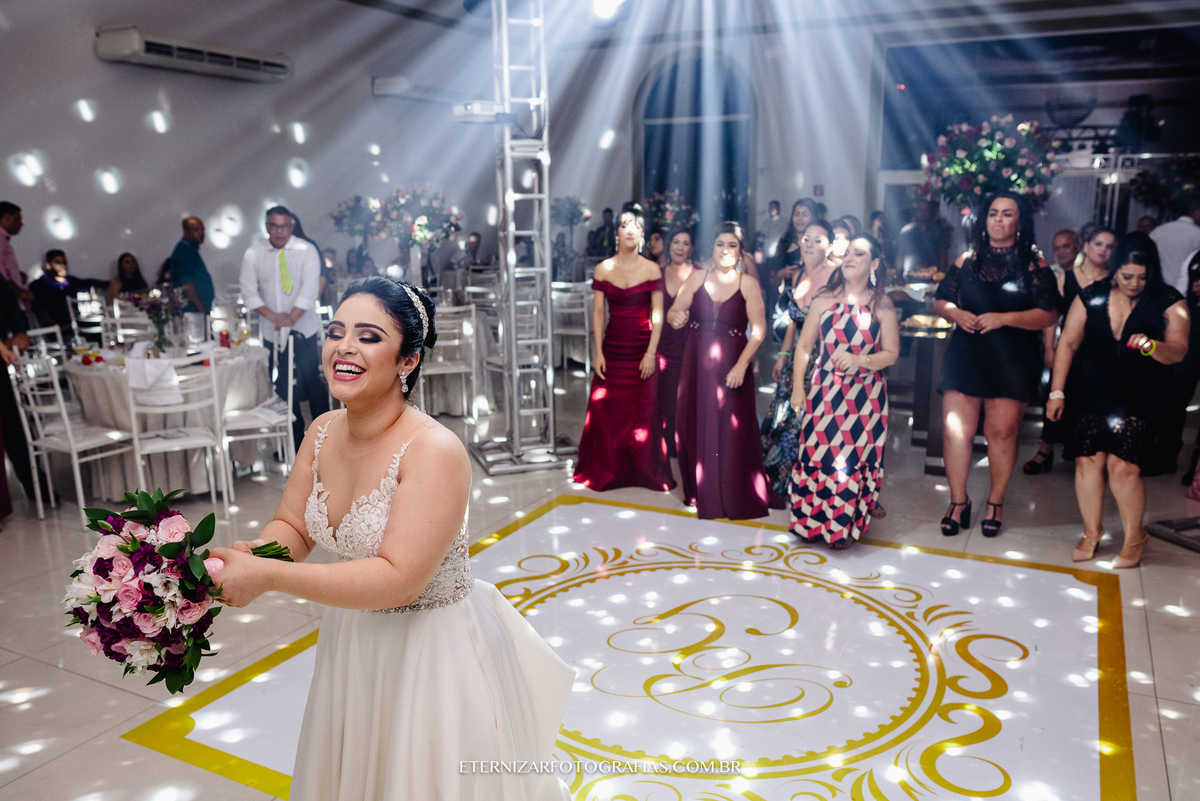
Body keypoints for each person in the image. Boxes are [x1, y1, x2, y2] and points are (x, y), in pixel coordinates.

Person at [208, 276, 573, 800]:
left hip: (430, 653)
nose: (344, 347)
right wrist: (245, 559)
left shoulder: (434, 450)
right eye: (335, 332)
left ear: (408, 360)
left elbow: (400, 578)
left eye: (369, 336)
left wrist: (267, 576)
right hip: (353, 641)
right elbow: (292, 527)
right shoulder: (322, 431)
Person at [1048, 238, 1188, 568]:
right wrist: (1057, 392)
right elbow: (1067, 343)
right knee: (1088, 461)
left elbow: (1178, 350)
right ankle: (1091, 531)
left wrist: (1154, 346)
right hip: (1094, 388)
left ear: (1151, 272)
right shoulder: (1092, 295)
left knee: (1123, 467)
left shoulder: (1168, 300)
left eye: (1142, 276)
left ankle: (1134, 536)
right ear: (1116, 270)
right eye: (1127, 276)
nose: (1134, 284)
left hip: (1144, 393)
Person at [934, 192, 1059, 537]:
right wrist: (954, 312)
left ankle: (995, 502)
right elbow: (941, 299)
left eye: (1007, 214)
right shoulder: (966, 259)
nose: (999, 220)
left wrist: (1006, 318)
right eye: (993, 213)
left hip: (1012, 359)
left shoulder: (1034, 263)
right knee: (956, 430)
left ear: (1020, 222)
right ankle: (958, 501)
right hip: (966, 355)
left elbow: (1049, 313)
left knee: (1001, 433)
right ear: (984, 219)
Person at [788, 234, 898, 548]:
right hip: (824, 393)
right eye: (848, 252)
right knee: (815, 455)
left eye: (859, 254)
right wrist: (799, 388)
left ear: (874, 264)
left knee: (849, 464)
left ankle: (840, 530)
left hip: (866, 399)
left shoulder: (882, 304)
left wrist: (861, 360)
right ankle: (809, 524)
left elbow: (891, 353)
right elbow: (805, 346)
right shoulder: (824, 298)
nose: (849, 258)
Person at [668, 222, 776, 520]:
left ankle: (728, 490)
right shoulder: (697, 277)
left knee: (730, 428)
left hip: (732, 362)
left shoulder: (747, 284)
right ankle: (699, 488)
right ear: (711, 249)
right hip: (695, 360)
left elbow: (759, 330)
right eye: (720, 244)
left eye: (732, 245)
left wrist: (742, 365)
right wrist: (677, 316)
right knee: (693, 420)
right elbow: (675, 309)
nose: (725, 250)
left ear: (740, 252)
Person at [573, 203, 674, 492]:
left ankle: (644, 471)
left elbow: (658, 314)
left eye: (637, 226)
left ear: (642, 235)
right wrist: (598, 352)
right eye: (625, 225)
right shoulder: (604, 268)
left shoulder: (652, 268)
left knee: (644, 412)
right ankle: (607, 471)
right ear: (616, 231)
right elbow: (598, 314)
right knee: (607, 413)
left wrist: (651, 353)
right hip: (613, 350)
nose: (631, 230)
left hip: (644, 351)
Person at [1025, 227, 1116, 475]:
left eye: (1109, 246)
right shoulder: (1067, 277)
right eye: (1099, 244)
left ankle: (1086, 453)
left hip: (1099, 351)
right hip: (1069, 346)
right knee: (1056, 395)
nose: (1103, 250)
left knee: (1091, 402)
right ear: (1086, 246)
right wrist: (1050, 348)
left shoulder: (1115, 280)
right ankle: (1045, 450)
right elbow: (1053, 315)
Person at [240, 206, 331, 448]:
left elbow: (311, 289)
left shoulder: (306, 250)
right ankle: (293, 443)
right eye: (274, 225)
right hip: (271, 330)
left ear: (291, 226)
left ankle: (327, 439)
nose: (279, 231)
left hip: (304, 328)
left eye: (284, 226)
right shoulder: (254, 253)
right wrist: (274, 317)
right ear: (267, 227)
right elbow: (248, 291)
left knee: (311, 381)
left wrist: (292, 317)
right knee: (281, 385)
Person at [762, 220, 835, 497]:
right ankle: (781, 481)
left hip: (824, 358)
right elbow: (794, 322)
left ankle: (808, 483)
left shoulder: (836, 276)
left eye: (818, 240)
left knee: (813, 421)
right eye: (807, 238)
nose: (810, 244)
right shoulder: (798, 275)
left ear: (829, 246)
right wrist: (782, 355)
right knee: (786, 418)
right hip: (798, 358)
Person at [657, 228, 696, 458]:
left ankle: (684, 445)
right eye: (676, 242)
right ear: (668, 245)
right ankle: (665, 445)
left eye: (685, 243)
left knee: (685, 398)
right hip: (661, 342)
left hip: (689, 343)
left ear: (691, 248)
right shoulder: (657, 273)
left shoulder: (698, 274)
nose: (680, 247)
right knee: (663, 398)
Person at [766, 199, 819, 343]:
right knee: (783, 351)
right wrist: (780, 274)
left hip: (814, 300)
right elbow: (772, 282)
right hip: (786, 300)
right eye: (796, 214)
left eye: (805, 214)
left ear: (813, 216)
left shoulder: (820, 243)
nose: (800, 218)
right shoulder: (784, 242)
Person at [29, 250, 93, 331]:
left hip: (77, 326)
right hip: (57, 331)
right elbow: (39, 310)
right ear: (48, 265)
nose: (62, 265)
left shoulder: (70, 281)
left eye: (64, 262)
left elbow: (87, 284)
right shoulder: (39, 285)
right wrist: (57, 327)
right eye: (58, 262)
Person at [1150, 193, 1200, 294]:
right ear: (1196, 212)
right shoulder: (1197, 233)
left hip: (1157, 290)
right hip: (1186, 294)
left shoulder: (1158, 231)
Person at [169, 216, 214, 314]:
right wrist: (200, 307)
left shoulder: (190, 250)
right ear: (186, 231)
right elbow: (187, 283)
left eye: (203, 229)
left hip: (197, 309)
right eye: (196, 230)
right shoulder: (184, 251)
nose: (201, 233)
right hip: (192, 311)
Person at [897, 199, 950, 279]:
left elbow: (943, 254)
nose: (923, 213)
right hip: (909, 277)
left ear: (930, 211)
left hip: (932, 277)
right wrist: (898, 276)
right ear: (915, 211)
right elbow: (900, 254)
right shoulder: (906, 232)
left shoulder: (938, 231)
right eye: (920, 210)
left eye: (926, 209)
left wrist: (940, 276)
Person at [0, 201, 34, 312]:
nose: (21, 224)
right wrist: (19, 291)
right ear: (7, 218)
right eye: (18, 219)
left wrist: (18, 276)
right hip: (9, 304)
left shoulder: (4, 239)